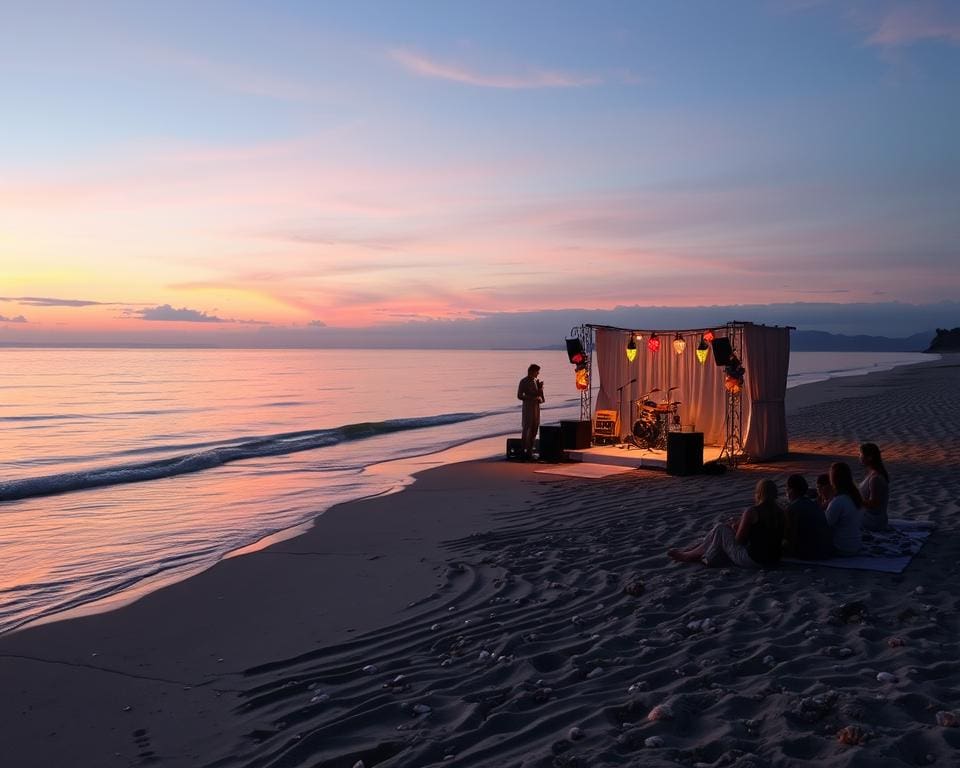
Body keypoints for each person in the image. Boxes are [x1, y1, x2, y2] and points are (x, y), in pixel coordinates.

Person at [668, 479, 785, 568]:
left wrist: (734, 528)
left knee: (720, 528)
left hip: (753, 560)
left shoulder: (752, 511)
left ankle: (692, 556)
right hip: (774, 559)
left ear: (759, 493)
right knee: (722, 531)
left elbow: (739, 540)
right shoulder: (781, 512)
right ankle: (701, 553)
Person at [783, 474, 833, 559]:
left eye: (787, 489)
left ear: (791, 490)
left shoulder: (792, 509)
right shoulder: (814, 505)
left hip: (810, 553)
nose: (786, 492)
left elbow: (788, 535)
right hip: (825, 550)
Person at [824, 462, 864, 556]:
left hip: (842, 547)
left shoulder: (839, 501)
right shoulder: (855, 496)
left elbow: (826, 525)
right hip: (856, 544)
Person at [858, 442, 890, 531]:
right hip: (870, 517)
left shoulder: (875, 478)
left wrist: (856, 499)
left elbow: (874, 504)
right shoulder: (873, 473)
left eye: (861, 454)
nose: (859, 456)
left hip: (873, 521)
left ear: (869, 457)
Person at [517, 364, 544, 460]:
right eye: (537, 371)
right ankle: (523, 450)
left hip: (536, 407)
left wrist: (540, 389)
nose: (538, 373)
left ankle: (530, 450)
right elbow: (519, 395)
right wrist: (530, 397)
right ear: (532, 371)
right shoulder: (523, 381)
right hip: (528, 407)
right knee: (527, 428)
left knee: (535, 428)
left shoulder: (536, 381)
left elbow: (541, 397)